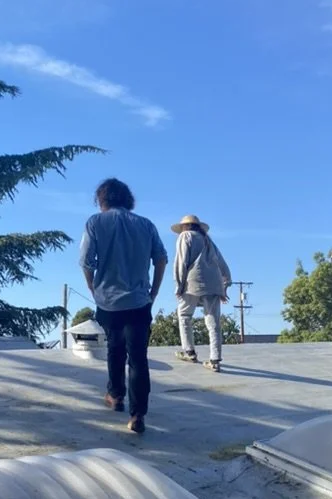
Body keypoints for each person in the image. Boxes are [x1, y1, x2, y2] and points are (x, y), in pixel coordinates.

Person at [79, 179, 167, 434]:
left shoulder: (95, 222)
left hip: (108, 301)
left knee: (114, 350)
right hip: (139, 301)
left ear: (102, 199)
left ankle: (115, 396)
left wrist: (92, 287)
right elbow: (161, 258)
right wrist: (154, 291)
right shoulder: (146, 224)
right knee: (138, 358)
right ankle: (138, 414)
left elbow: (86, 261)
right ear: (128, 199)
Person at [171, 214, 232, 372]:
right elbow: (222, 263)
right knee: (213, 322)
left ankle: (189, 351)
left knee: (184, 315)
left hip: (193, 281)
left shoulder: (185, 236)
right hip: (214, 283)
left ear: (184, 227)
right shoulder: (208, 240)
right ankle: (215, 360)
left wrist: (179, 286)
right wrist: (225, 284)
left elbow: (181, 262)